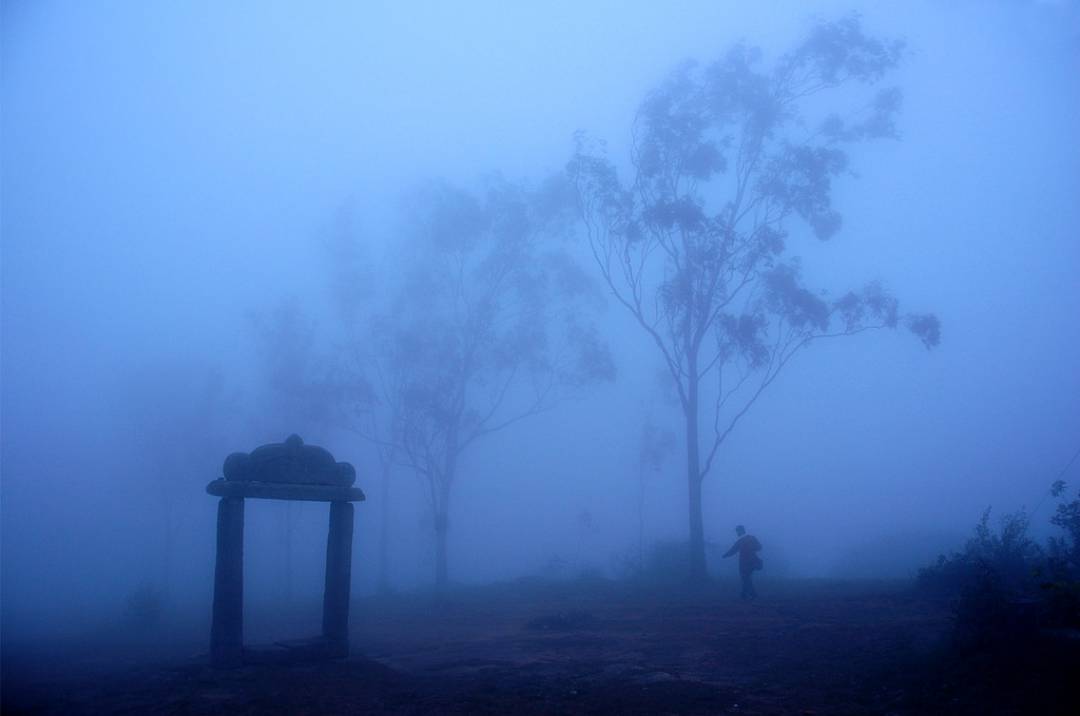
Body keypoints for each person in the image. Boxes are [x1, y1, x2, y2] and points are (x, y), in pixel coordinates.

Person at [723, 525, 762, 600]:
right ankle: (744, 595)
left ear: (741, 531)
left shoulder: (740, 541)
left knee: (745, 578)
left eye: (737, 531)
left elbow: (733, 550)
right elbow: (759, 547)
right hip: (752, 561)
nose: (737, 533)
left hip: (744, 563)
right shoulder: (752, 538)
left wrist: (725, 555)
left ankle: (752, 595)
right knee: (746, 578)